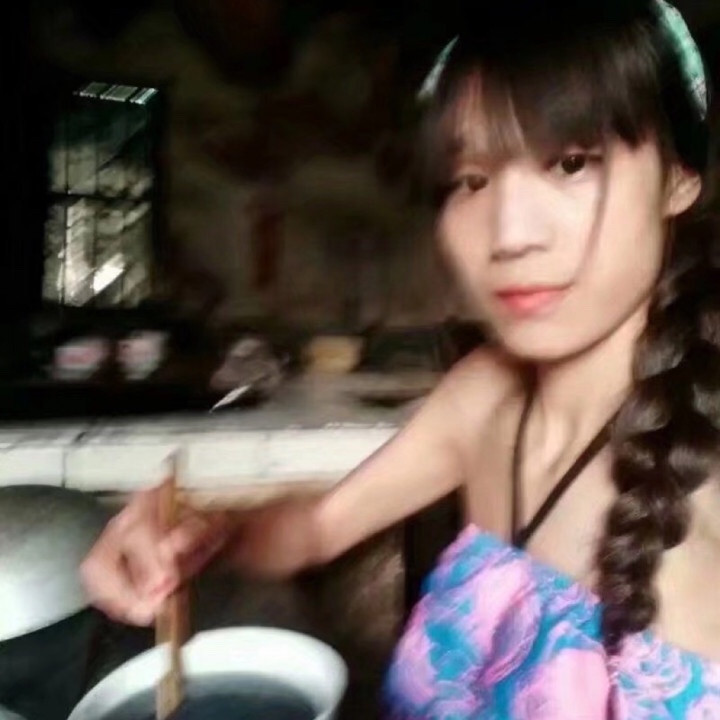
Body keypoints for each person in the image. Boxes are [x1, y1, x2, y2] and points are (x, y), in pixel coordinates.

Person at [82, 0, 720, 715]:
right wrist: (197, 537)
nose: (509, 235)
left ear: (679, 177)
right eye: (471, 179)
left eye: (571, 163)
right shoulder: (483, 397)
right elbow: (317, 528)